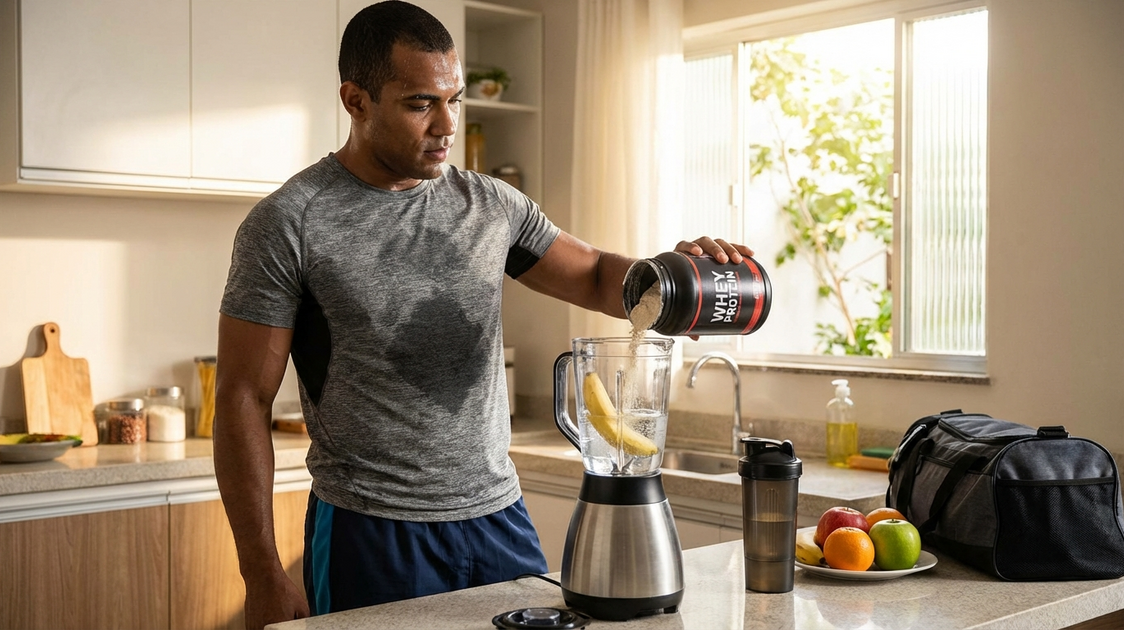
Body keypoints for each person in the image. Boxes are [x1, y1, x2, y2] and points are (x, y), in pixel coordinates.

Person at [213, 2, 755, 628]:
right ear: (355, 100)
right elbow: (242, 398)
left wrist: (678, 277)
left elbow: (601, 276)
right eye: (420, 104)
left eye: (454, 100)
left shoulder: (490, 205)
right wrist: (261, 575)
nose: (446, 125)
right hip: (372, 529)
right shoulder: (289, 223)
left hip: (499, 519)